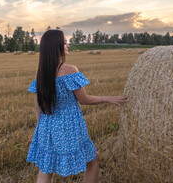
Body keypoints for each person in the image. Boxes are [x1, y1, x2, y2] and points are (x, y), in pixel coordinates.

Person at [27, 30, 127, 183]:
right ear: (57, 46)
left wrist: (43, 131)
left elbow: (38, 108)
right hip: (69, 125)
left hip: (46, 126)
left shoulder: (40, 74)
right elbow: (84, 100)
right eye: (65, 42)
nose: (68, 45)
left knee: (46, 169)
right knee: (93, 160)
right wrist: (108, 98)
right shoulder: (70, 70)